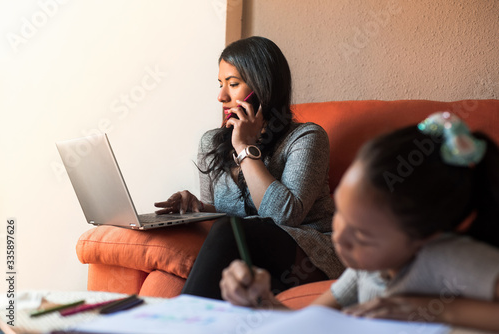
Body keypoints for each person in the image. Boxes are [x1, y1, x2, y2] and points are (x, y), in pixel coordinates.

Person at [220, 112, 499, 332]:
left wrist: (429, 309)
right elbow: (308, 323)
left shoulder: (446, 258)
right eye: (341, 212)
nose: (340, 236)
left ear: (425, 236)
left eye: (364, 235)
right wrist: (261, 301)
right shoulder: (367, 271)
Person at [154, 36, 344, 300]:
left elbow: (283, 217)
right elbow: (219, 216)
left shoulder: (307, 138)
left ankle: (183, 317)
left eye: (233, 84)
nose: (221, 96)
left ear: (261, 88)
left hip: (308, 257)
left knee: (231, 230)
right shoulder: (211, 142)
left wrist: (245, 149)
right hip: (248, 258)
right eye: (220, 85)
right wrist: (197, 207)